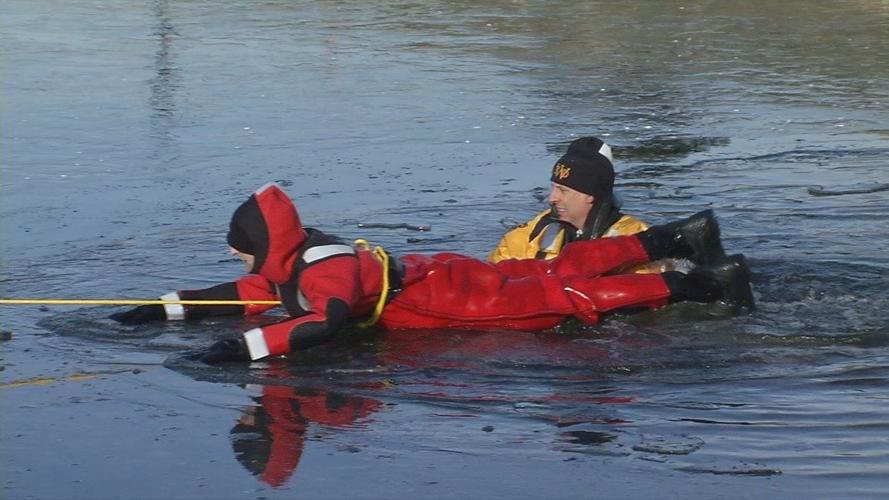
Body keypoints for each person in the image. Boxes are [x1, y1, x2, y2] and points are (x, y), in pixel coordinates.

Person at [110, 182, 754, 364]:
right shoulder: (297, 259)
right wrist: (164, 308)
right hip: (433, 274)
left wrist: (244, 349)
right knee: (550, 267)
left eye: (237, 245)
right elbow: (243, 293)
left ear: (262, 243)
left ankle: (702, 283)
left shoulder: (320, 274)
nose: (232, 255)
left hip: (450, 303)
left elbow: (326, 321)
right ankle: (680, 238)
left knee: (564, 296)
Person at [488, 137, 654, 266]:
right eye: (554, 187)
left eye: (563, 190)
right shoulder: (533, 234)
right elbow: (497, 270)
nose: (552, 198)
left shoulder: (635, 240)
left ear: (590, 196)